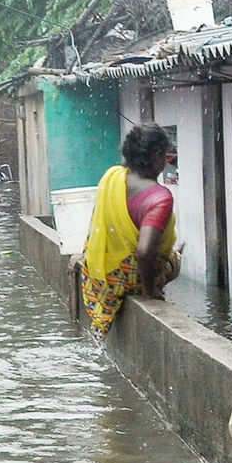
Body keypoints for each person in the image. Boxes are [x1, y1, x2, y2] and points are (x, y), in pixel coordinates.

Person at [81, 123, 182, 337]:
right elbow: (144, 252)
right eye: (165, 156)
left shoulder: (112, 176)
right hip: (126, 279)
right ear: (156, 155)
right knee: (175, 260)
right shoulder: (159, 197)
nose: (166, 162)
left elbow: (96, 226)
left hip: (98, 274)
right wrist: (150, 291)